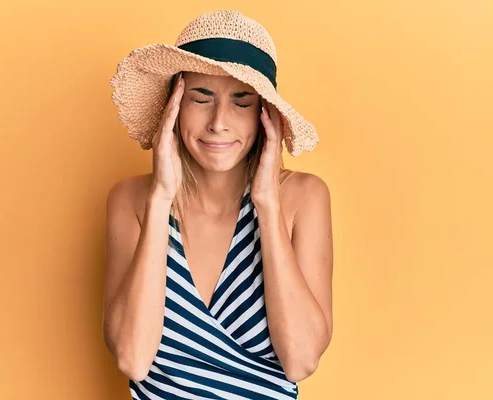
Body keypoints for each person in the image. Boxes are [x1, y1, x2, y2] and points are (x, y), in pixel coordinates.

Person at [104, 9, 333, 399]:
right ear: (173, 108)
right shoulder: (132, 199)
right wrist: (161, 198)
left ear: (265, 116)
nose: (218, 122)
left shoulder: (303, 198)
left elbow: (301, 360)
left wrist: (266, 204)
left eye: (241, 101)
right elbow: (133, 359)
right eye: (201, 97)